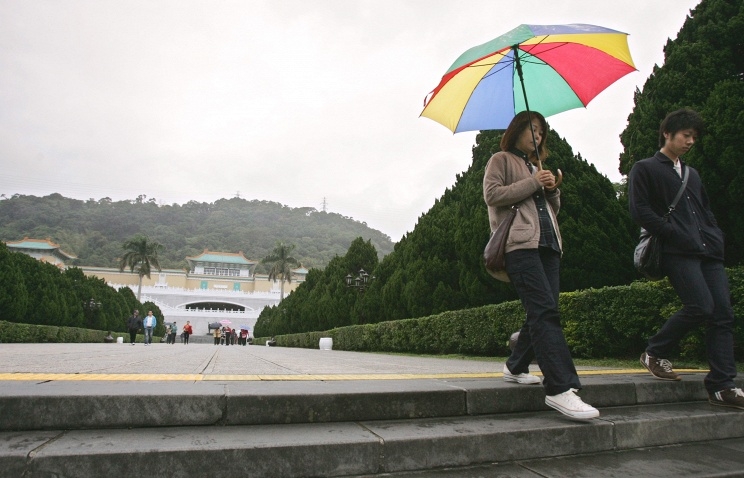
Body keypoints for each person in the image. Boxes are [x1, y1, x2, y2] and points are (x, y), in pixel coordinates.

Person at [483, 110, 599, 420]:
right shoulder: (500, 160)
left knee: (545, 310)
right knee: (544, 311)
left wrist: (551, 189)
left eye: (541, 131)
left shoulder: (537, 167)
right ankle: (560, 388)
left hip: (548, 245)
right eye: (532, 129)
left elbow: (551, 209)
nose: (538, 135)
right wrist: (533, 182)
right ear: (517, 130)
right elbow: (492, 195)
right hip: (519, 246)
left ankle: (515, 365)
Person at [628, 108, 743, 410]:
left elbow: (705, 210)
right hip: (676, 250)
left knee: (722, 314)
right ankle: (654, 351)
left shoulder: (692, 174)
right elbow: (640, 210)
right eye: (685, 135)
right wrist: (673, 233)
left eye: (694, 137)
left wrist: (715, 235)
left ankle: (722, 386)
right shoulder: (645, 168)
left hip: (708, 250)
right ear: (667, 133)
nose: (691, 141)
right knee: (700, 306)